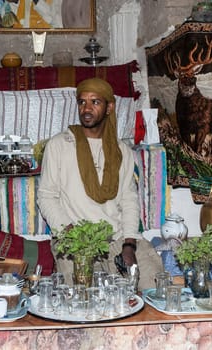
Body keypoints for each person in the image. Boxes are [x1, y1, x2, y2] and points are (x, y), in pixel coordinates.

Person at [37, 78, 163, 290]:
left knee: (155, 284)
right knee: (85, 296)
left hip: (116, 238)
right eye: (82, 102)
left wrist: (129, 244)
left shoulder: (121, 150)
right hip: (73, 240)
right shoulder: (59, 145)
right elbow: (46, 196)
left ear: (109, 107)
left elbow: (129, 199)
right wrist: (74, 237)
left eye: (95, 102)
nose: (86, 109)